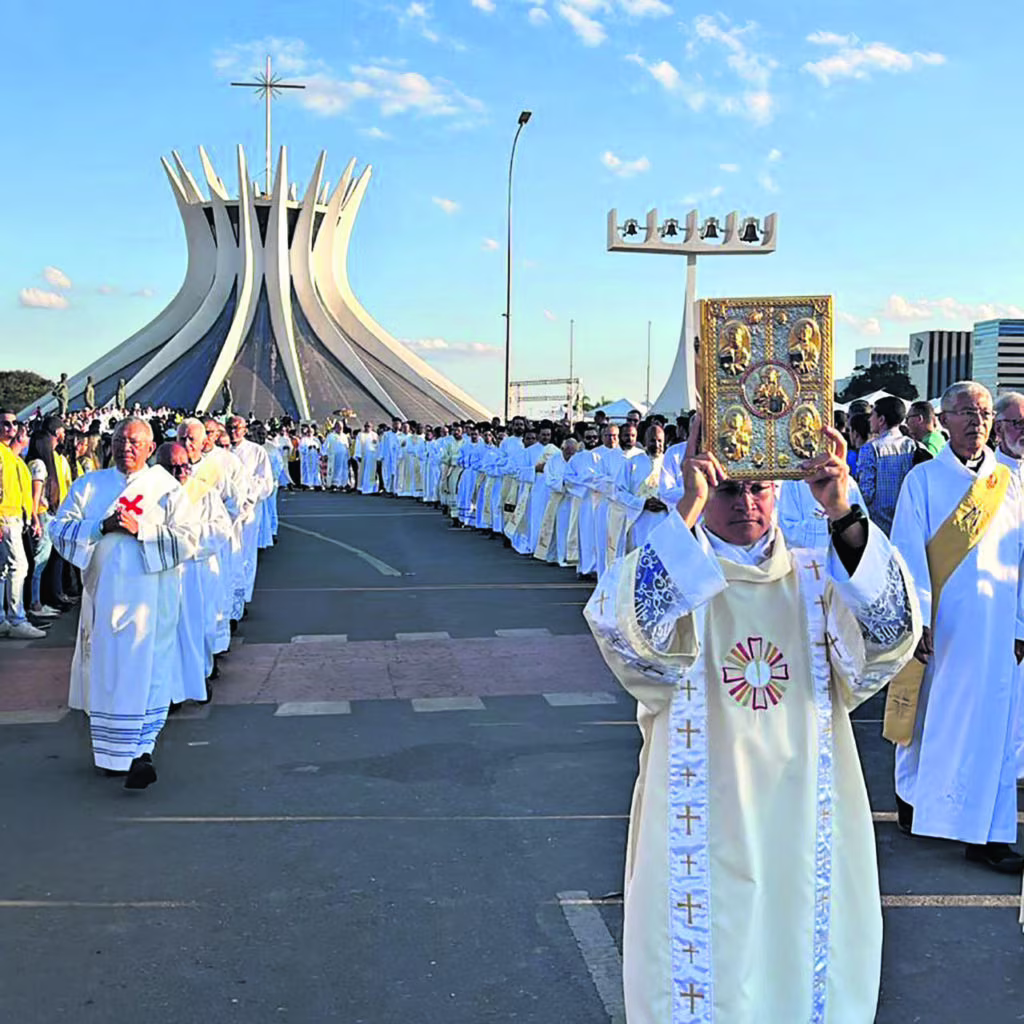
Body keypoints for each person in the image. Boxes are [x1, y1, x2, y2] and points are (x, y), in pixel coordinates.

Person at [585, 415, 919, 1024]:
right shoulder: (682, 579)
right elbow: (623, 631)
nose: (745, 504)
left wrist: (843, 511)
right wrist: (688, 506)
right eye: (729, 489)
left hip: (806, 809)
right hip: (699, 814)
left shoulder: (818, 580)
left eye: (759, 487)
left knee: (800, 958)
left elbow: (889, 636)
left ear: (779, 490)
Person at [889, 381, 1024, 872]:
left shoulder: (1008, 482)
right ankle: (917, 800)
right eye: (966, 412)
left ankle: (989, 834)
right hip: (943, 628)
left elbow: (1021, 556)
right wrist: (919, 619)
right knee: (930, 719)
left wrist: (1020, 624)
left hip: (997, 629)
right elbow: (907, 550)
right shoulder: (923, 480)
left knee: (993, 728)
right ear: (943, 420)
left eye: (984, 413)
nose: (977, 421)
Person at [49, 417, 197, 788]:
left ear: (150, 448)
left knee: (148, 671)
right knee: (109, 673)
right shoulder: (90, 485)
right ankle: (111, 755)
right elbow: (59, 528)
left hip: (151, 600)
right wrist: (101, 527)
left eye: (134, 442)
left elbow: (188, 539)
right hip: (104, 601)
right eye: (119, 440)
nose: (125, 447)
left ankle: (142, 752)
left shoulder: (166, 489)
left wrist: (140, 530)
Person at [0, 410, 46, 638]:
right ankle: (16, 618)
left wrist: (30, 516)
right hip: (5, 517)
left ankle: (3, 618)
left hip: (16, 517)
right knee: (19, 566)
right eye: (5, 424)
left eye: (14, 423)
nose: (10, 428)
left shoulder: (11, 456)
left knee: (4, 569)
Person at [856, 395, 917, 536]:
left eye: (872, 415)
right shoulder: (912, 445)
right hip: (907, 519)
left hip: (878, 523)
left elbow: (867, 492)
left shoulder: (870, 448)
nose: (869, 419)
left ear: (881, 420)